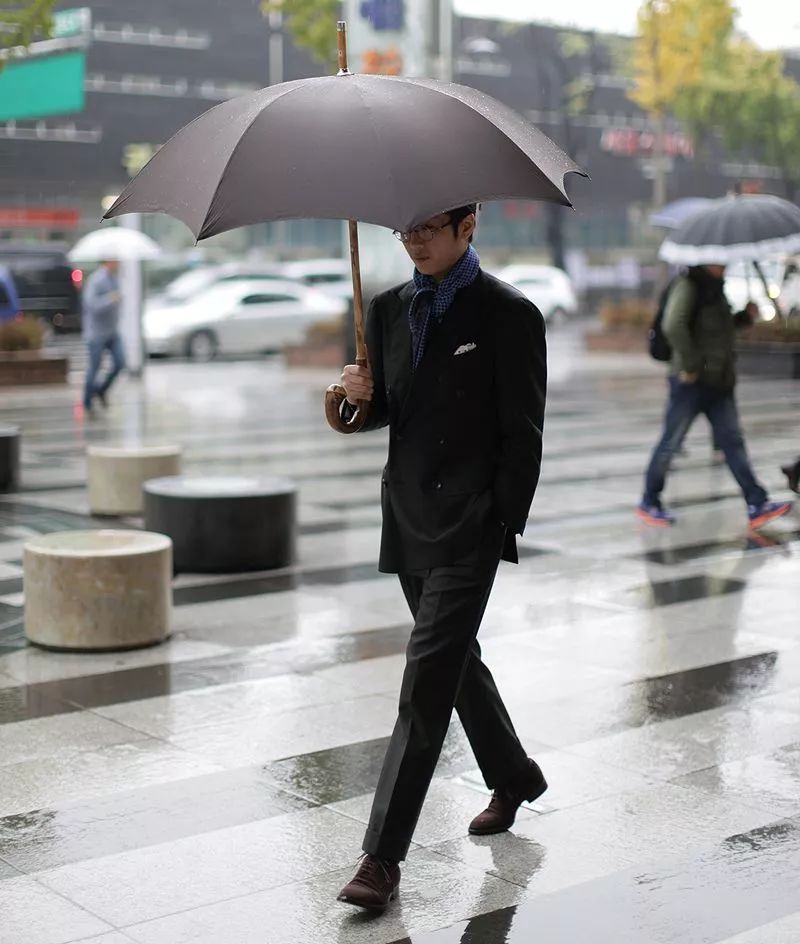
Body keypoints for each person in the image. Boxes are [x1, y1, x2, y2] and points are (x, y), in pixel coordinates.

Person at [333, 205, 547, 912]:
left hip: (469, 524)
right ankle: (513, 774)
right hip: (409, 516)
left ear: (469, 225)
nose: (416, 241)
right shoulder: (387, 308)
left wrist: (499, 522)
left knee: (425, 678)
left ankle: (381, 859)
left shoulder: (509, 314)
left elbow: (523, 433)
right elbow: (384, 408)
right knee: (456, 664)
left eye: (430, 227)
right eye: (406, 231)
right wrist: (349, 397)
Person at [637, 263, 792, 529]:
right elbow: (673, 325)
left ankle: (757, 502)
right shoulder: (688, 286)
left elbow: (718, 330)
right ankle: (649, 501)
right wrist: (690, 364)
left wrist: (744, 317)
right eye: (720, 260)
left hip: (720, 381)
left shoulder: (716, 289)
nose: (725, 263)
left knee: (732, 442)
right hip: (691, 382)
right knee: (670, 444)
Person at [82, 260, 126, 414]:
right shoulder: (96, 280)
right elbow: (91, 305)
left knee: (121, 363)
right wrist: (110, 299)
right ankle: (87, 401)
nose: (118, 263)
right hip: (96, 334)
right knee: (94, 368)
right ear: (108, 261)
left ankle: (101, 390)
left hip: (112, 332)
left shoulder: (116, 278)